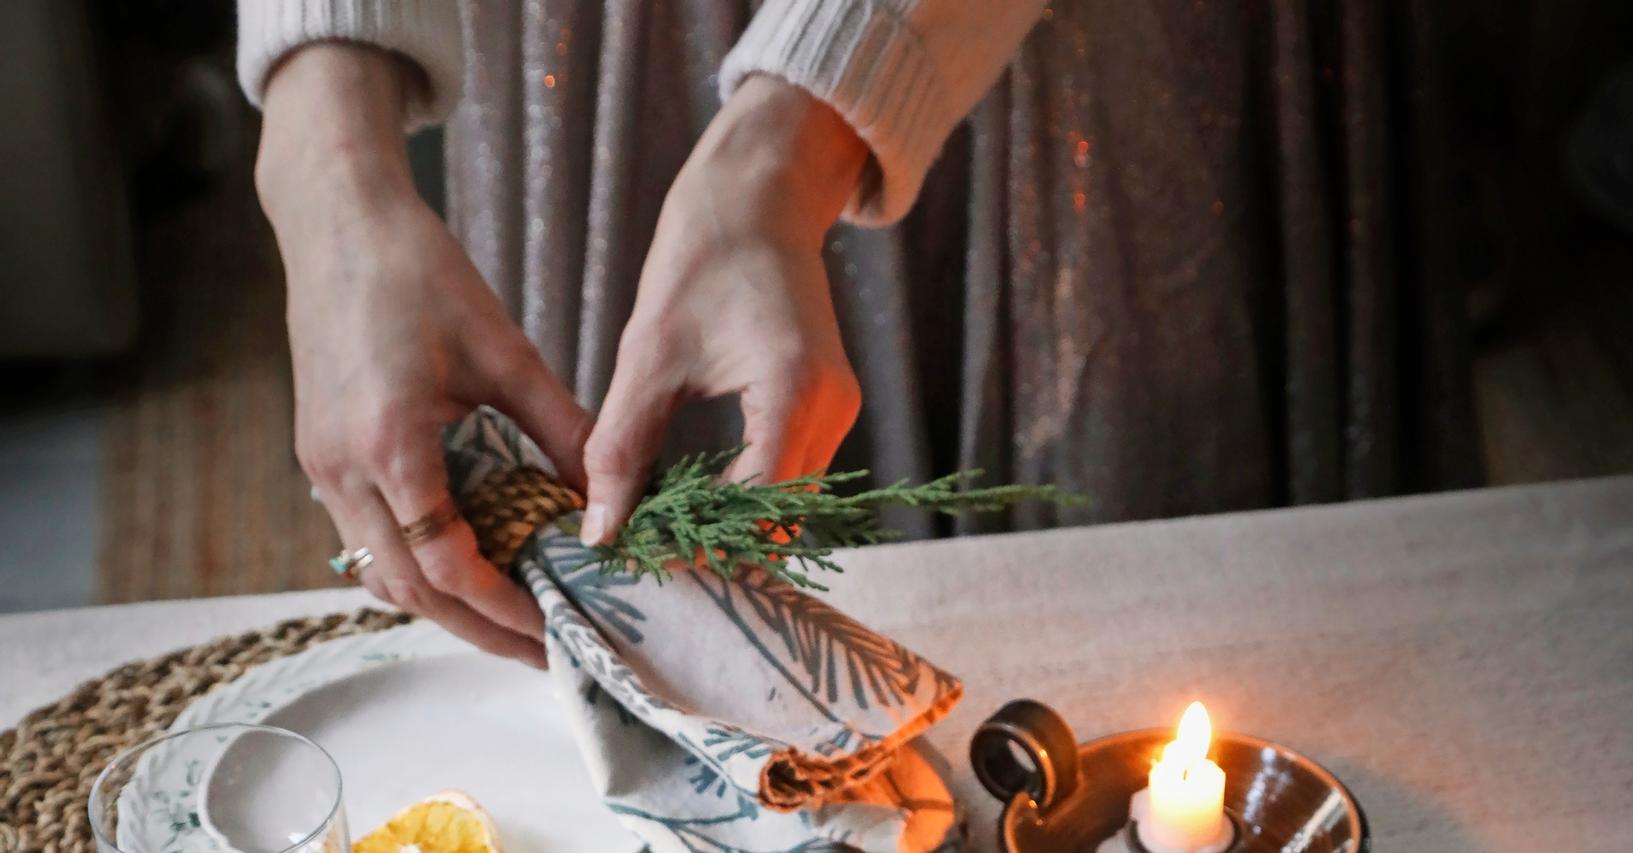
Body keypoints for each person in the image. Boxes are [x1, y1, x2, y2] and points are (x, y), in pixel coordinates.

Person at [241, 2, 1475, 660]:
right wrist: (324, 153)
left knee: (1155, 640)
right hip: (599, 38)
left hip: (1083, 53)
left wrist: (808, 127)